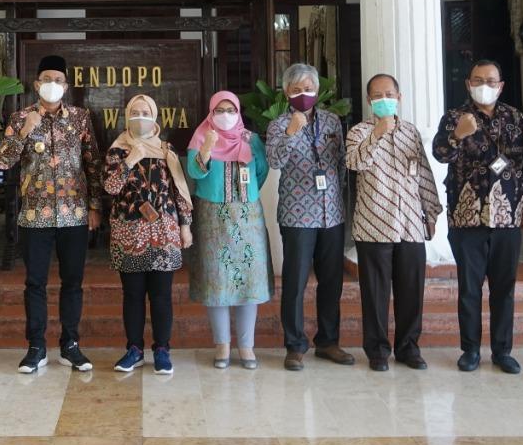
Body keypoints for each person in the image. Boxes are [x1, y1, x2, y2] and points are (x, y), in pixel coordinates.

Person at [432, 59, 523, 375]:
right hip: (467, 217)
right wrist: (457, 135)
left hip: (508, 217)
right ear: (468, 84)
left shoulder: (516, 119)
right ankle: (470, 350)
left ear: (501, 85)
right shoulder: (455, 117)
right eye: (478, 80)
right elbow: (441, 154)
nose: (485, 85)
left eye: (491, 81)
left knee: (503, 288)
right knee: (469, 288)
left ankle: (502, 351)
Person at [0, 54, 102, 373]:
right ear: (36, 84)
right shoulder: (20, 118)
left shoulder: (80, 118)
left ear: (66, 86)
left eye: (58, 80)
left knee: (73, 282)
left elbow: (92, 162)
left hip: (75, 214)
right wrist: (23, 132)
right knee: (35, 283)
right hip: (34, 215)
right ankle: (36, 347)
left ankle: (70, 345)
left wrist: (95, 206)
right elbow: (4, 161)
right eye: (46, 80)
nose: (52, 85)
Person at [345, 73, 442, 371]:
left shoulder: (410, 132)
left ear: (399, 98)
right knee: (375, 294)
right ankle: (377, 351)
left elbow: (423, 173)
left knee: (411, 291)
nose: (384, 99)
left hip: (410, 223)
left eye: (389, 94)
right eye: (377, 95)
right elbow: (354, 163)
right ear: (369, 100)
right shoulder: (359, 132)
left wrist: (431, 211)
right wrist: (377, 134)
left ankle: (408, 348)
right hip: (373, 223)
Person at [265, 63, 352, 372]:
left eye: (309, 88)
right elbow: (275, 161)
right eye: (297, 89)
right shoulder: (278, 124)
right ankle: (295, 345)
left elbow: (341, 163)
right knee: (295, 282)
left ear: (317, 90)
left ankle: (328, 341)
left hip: (331, 214)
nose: (304, 93)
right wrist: (291, 132)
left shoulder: (332, 121)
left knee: (331, 281)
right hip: (297, 215)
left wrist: (335, 195)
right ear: (286, 92)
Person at [102, 94, 193, 374]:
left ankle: (162, 350)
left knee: (161, 295)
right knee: (133, 295)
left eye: (145, 112)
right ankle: (134, 349)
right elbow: (110, 187)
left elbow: (179, 189)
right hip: (128, 232)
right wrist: (130, 160)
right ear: (127, 116)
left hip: (164, 231)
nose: (140, 117)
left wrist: (185, 225)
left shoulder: (166, 149)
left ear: (154, 117)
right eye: (135, 112)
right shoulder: (117, 150)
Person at [186, 91, 272, 369]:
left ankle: (246, 346)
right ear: (211, 113)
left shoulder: (251, 139)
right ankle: (222, 345)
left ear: (238, 112)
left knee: (249, 281)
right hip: (212, 218)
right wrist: (207, 149)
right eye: (220, 110)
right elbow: (195, 174)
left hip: (248, 218)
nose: (226, 115)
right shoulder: (201, 137)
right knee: (217, 281)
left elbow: (261, 171)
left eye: (231, 110)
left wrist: (244, 194)